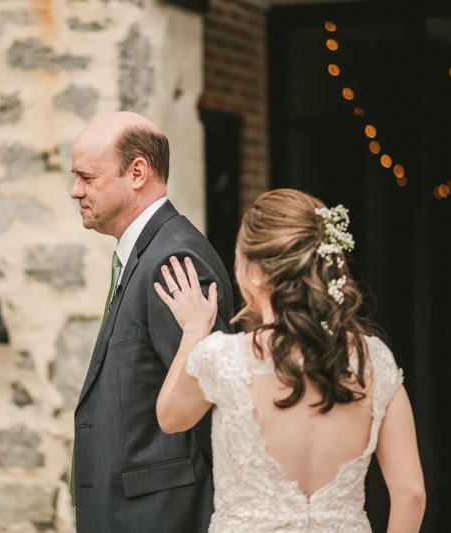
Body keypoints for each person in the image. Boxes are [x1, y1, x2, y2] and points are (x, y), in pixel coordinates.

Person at [154, 189, 426, 532]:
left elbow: (169, 417)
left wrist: (194, 330)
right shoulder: (375, 361)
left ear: (254, 273)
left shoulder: (223, 358)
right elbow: (411, 494)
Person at [69, 111, 234, 533]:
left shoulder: (173, 260)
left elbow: (214, 405)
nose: (75, 191)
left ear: (137, 172)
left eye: (87, 177)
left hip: (161, 517)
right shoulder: (152, 250)